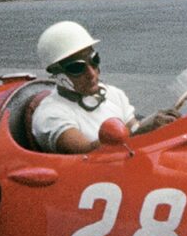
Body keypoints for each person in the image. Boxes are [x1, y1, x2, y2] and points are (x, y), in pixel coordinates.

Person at [30, 22, 176, 154]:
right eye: (77, 67)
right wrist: (141, 131)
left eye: (94, 60)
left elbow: (133, 128)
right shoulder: (51, 114)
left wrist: (157, 125)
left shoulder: (113, 94)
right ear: (56, 73)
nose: (92, 73)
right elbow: (85, 153)